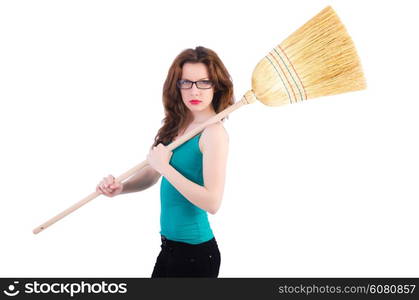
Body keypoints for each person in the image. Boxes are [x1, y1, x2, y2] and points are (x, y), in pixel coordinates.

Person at [96, 46, 233, 277]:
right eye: (186, 82)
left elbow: (212, 202)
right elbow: (151, 173)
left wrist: (165, 168)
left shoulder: (213, 134)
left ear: (216, 85)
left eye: (203, 82)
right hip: (169, 249)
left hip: (196, 255)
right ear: (176, 86)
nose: (194, 91)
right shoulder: (176, 125)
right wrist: (122, 188)